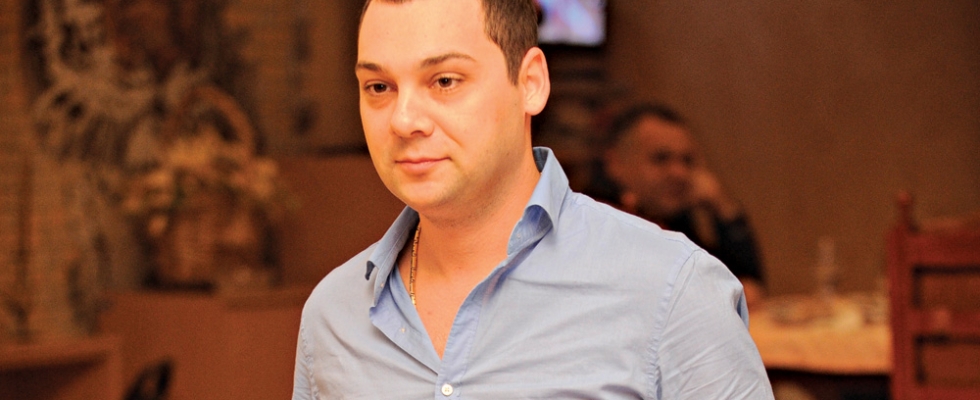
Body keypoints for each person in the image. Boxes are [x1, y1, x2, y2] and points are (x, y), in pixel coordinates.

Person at [292, 0, 773, 398]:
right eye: (378, 87)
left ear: (531, 84)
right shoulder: (334, 315)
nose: (403, 120)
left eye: (444, 81)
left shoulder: (671, 291)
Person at [598, 103, 767, 308]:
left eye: (687, 161)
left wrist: (723, 207)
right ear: (615, 163)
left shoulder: (672, 220)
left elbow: (748, 284)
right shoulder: (599, 224)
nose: (680, 173)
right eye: (661, 158)